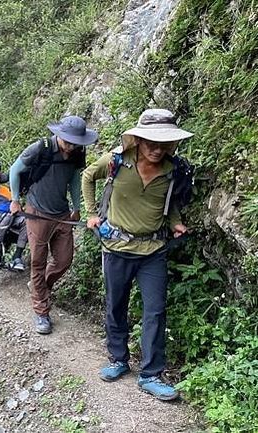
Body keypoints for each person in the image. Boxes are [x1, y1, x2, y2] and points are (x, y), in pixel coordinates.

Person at [82, 108, 192, 401]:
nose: (157, 150)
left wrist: (175, 223)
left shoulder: (173, 170)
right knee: (116, 304)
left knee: (155, 310)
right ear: (138, 140)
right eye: (151, 143)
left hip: (153, 251)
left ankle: (150, 374)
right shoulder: (116, 161)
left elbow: (167, 204)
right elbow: (87, 176)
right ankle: (118, 359)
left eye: (163, 144)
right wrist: (92, 214)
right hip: (117, 248)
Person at [9, 115, 97, 334]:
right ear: (59, 136)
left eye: (75, 144)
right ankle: (41, 312)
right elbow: (14, 170)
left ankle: (39, 287)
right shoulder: (41, 148)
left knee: (65, 259)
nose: (70, 148)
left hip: (62, 213)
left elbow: (75, 179)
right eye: (68, 143)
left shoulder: (77, 152)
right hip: (37, 212)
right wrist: (14, 199)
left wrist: (77, 206)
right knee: (37, 261)